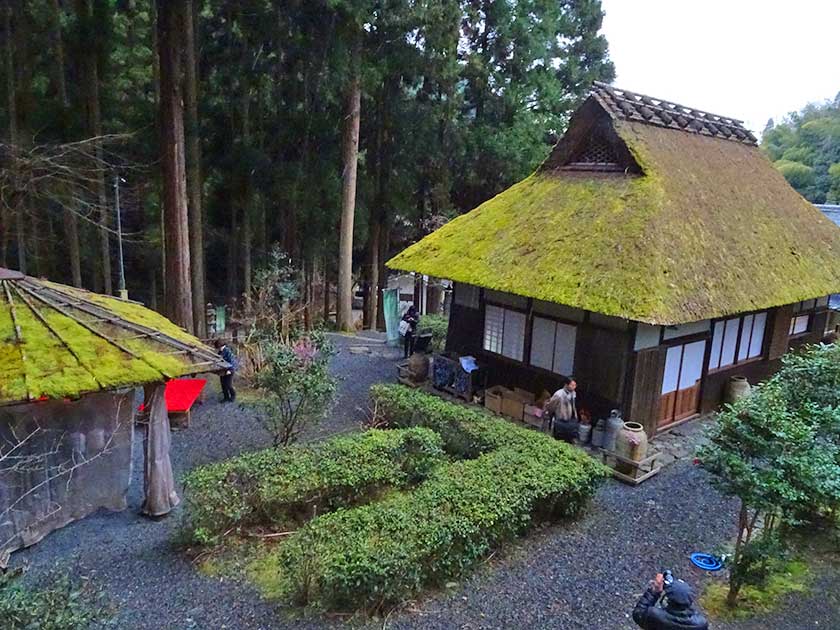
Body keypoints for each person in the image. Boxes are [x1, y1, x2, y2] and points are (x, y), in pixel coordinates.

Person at [632, 573, 709, 630]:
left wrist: (655, 591)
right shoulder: (700, 624)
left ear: (668, 600)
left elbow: (638, 613)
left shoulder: (655, 615)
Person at [543, 377, 578, 443]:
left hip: (570, 421)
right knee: (558, 440)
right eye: (572, 385)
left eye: (575, 385)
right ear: (566, 385)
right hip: (560, 420)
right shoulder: (559, 394)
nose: (574, 387)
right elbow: (550, 407)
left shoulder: (573, 393)